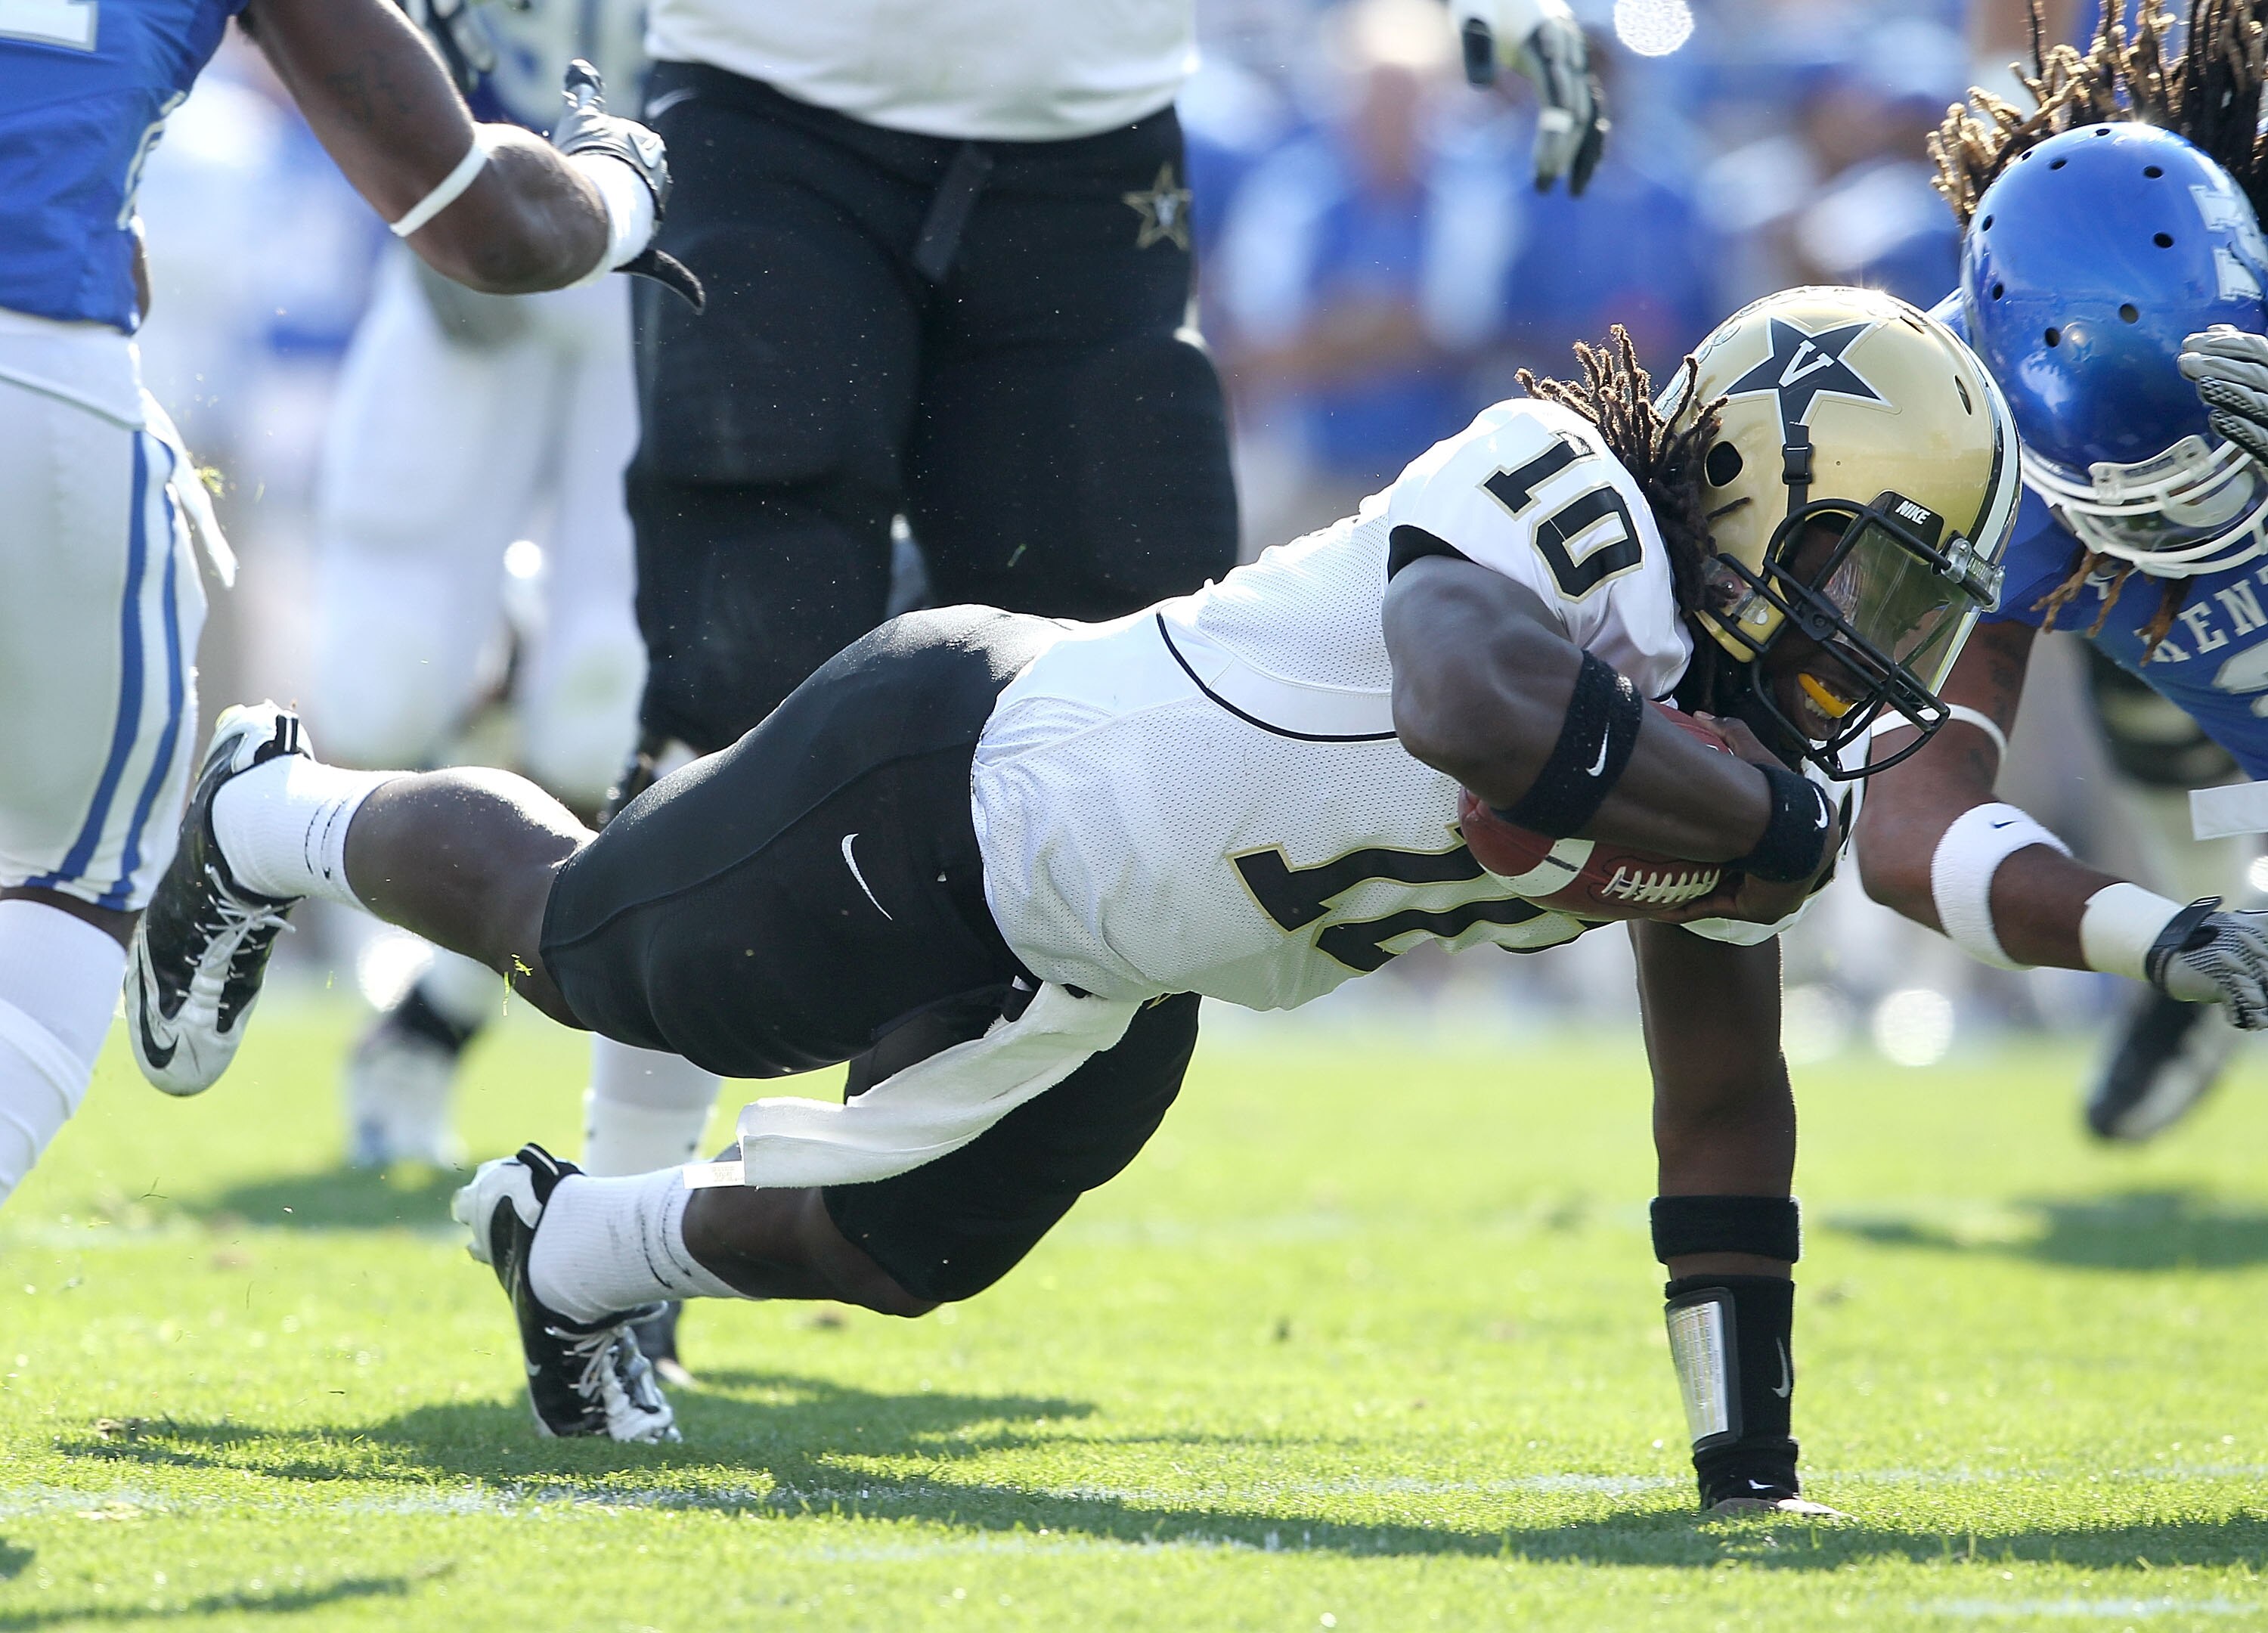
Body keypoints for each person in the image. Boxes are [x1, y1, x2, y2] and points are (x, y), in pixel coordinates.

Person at [131, 285, 2016, 1514]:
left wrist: (1743, 1468)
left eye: (1930, 618)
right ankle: (275, 808)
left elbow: (1720, 1099)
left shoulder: (1742, 780)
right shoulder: (1565, 496)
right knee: (590, 948)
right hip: (970, 770)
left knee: (900, 1253)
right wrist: (1767, 827)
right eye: (1887, 581)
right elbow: (1470, 695)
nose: (1890, 652)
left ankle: (565, 1254)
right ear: (1769, 478)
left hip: (1128, 964)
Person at [592, 0, 1609, 1374]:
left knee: (1121, 701)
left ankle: (765, 1197)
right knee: (737, 678)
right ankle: (609, 1199)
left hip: (1084, 153)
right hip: (773, 105)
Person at [0, 0, 677, 1212]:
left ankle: (414, 1002)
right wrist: (627, 180)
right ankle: (278, 823)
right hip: (57, 369)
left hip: (618, 325)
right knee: (78, 870)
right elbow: (496, 225)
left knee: (586, 712)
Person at [1854, 3, 2268, 1126]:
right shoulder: (1969, 455)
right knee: (2140, 702)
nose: (2188, 536)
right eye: (2126, 512)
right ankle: (2227, 911)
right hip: (2220, 760)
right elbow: (1906, 836)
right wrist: (2167, 940)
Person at [307, 0, 687, 1175]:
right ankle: (512, 630)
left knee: (600, 717)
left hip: (664, 270)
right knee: (375, 693)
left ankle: (432, 1016)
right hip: (468, 244)